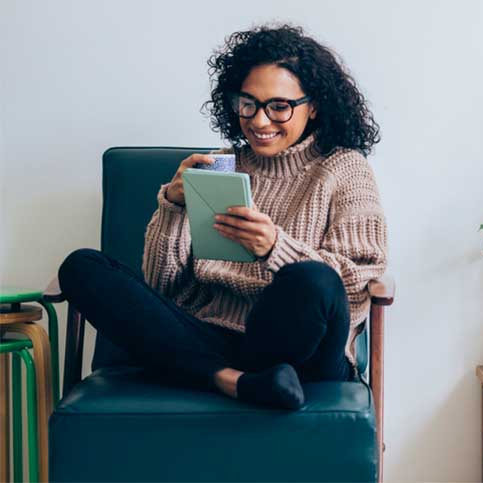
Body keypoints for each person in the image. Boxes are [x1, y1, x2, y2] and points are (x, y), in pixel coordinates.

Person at [57, 24, 388, 410]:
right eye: (248, 104)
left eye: (279, 106)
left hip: (303, 352)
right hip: (212, 337)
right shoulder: (221, 166)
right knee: (81, 267)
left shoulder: (345, 169)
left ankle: (213, 374)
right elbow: (163, 288)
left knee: (312, 278)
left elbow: (353, 282)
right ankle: (234, 381)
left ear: (313, 106)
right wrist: (173, 206)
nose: (260, 121)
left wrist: (275, 248)